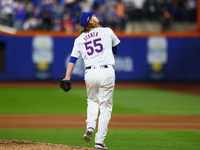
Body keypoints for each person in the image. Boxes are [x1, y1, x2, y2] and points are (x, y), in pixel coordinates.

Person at [63, 9, 120, 149]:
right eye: (93, 15)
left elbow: (72, 59)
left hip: (90, 73)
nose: (95, 16)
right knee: (105, 107)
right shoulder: (107, 31)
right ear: (91, 21)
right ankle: (99, 141)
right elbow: (115, 50)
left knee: (92, 101)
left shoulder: (79, 39)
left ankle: (90, 126)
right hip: (106, 71)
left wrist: (67, 77)